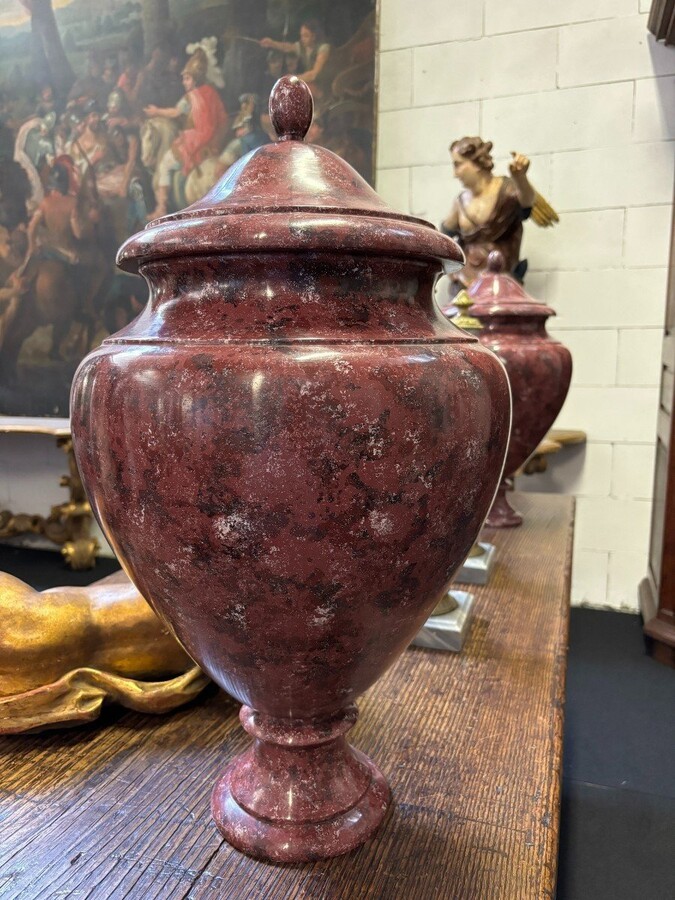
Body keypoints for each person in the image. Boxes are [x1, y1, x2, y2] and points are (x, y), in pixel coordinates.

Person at [441, 137, 535, 291]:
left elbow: (527, 203)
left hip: (500, 280)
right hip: (465, 282)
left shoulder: (506, 191)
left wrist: (520, 178)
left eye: (458, 165)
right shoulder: (460, 202)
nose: (455, 174)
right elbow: (445, 235)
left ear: (476, 163)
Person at [143, 48, 228, 220]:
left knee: (165, 164)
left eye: (187, 78)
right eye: (183, 78)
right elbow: (223, 119)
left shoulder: (191, 96)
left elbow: (175, 112)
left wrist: (156, 111)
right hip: (212, 142)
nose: (184, 82)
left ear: (195, 79)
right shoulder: (212, 93)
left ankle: (161, 207)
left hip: (196, 140)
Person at [260, 20, 331, 100]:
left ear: (314, 36)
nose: (303, 39)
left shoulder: (324, 49)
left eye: (306, 36)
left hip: (326, 84)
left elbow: (314, 74)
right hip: (314, 82)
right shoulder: (303, 47)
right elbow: (287, 47)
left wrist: (293, 79)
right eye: (302, 36)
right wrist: (271, 43)